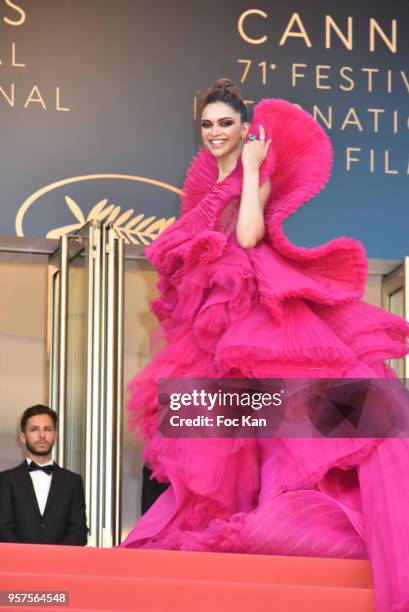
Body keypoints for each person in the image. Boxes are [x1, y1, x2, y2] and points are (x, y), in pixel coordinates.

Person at [121, 80, 409, 611]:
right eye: (207, 125)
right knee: (219, 431)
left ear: (243, 126)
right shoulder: (206, 181)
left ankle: (289, 521)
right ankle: (236, 536)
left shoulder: (256, 171)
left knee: (299, 416)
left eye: (225, 123)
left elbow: (250, 235)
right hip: (213, 318)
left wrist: (253, 169)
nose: (215, 133)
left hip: (255, 307)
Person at [0, 404, 88, 546]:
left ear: (56, 435)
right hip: (17, 565)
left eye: (47, 429)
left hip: (60, 565)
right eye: (34, 430)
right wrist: (27, 557)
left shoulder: (73, 482)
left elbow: (78, 531)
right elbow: (3, 529)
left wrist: (51, 558)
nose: (42, 435)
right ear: (23, 437)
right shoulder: (5, 480)